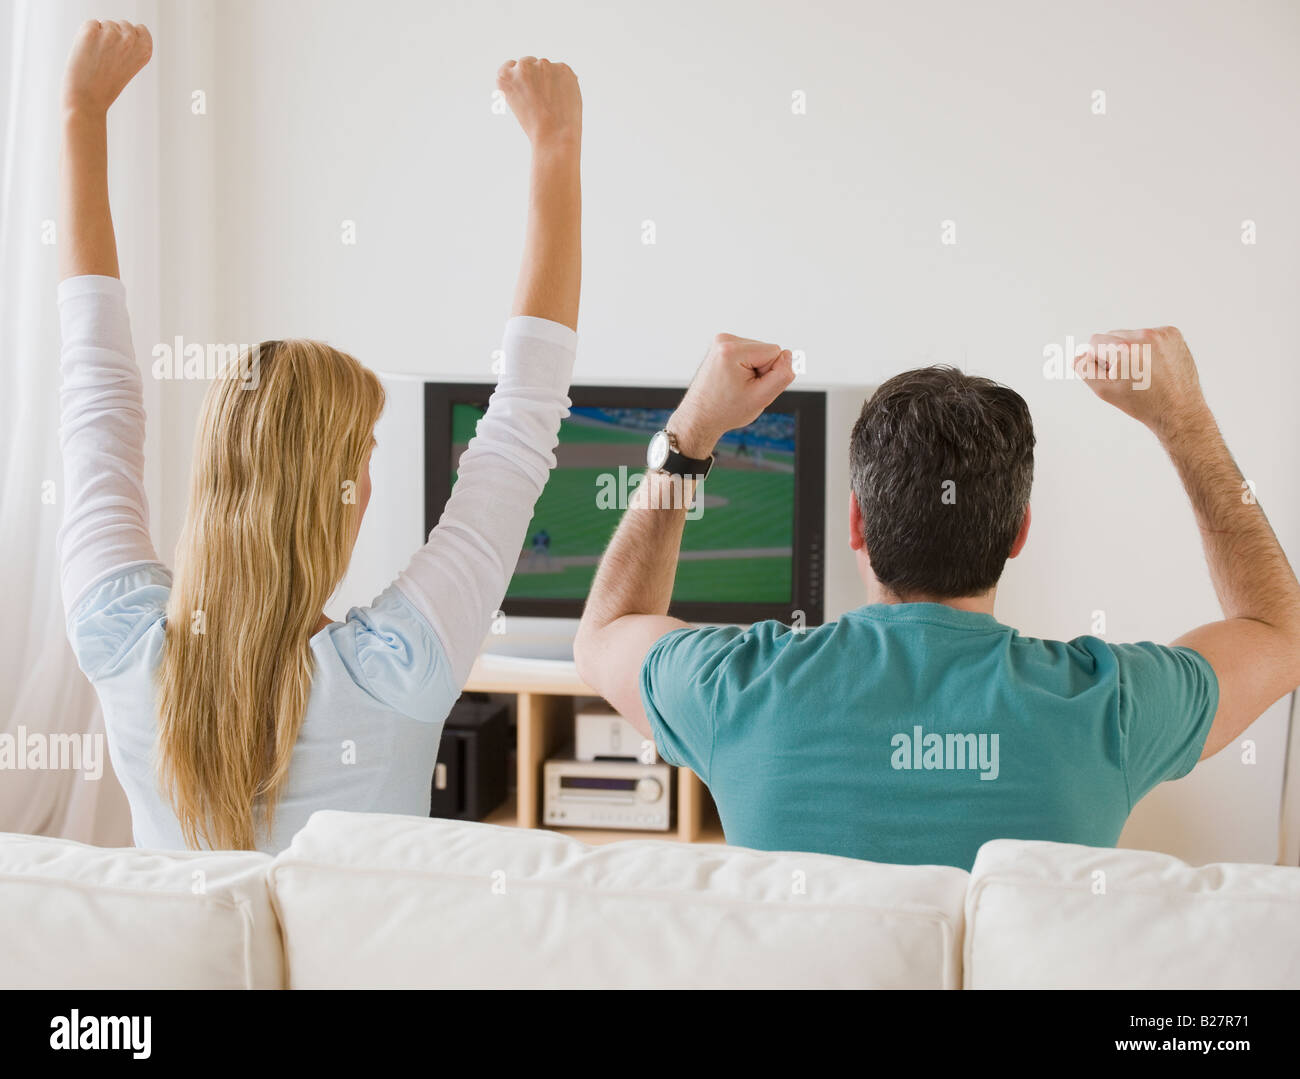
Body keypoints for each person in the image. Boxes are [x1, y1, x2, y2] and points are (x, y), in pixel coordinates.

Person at [56, 20, 582, 852]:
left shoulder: (120, 645)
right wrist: (556, 146)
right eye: (363, 454)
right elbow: (520, 428)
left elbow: (97, 405)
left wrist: (80, 114)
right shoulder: (400, 668)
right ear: (340, 490)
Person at [573, 332, 1300, 870]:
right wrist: (1184, 419)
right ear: (1019, 533)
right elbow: (1280, 630)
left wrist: (693, 432)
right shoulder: (1112, 706)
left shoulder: (735, 688)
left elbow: (603, 631)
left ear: (856, 522)